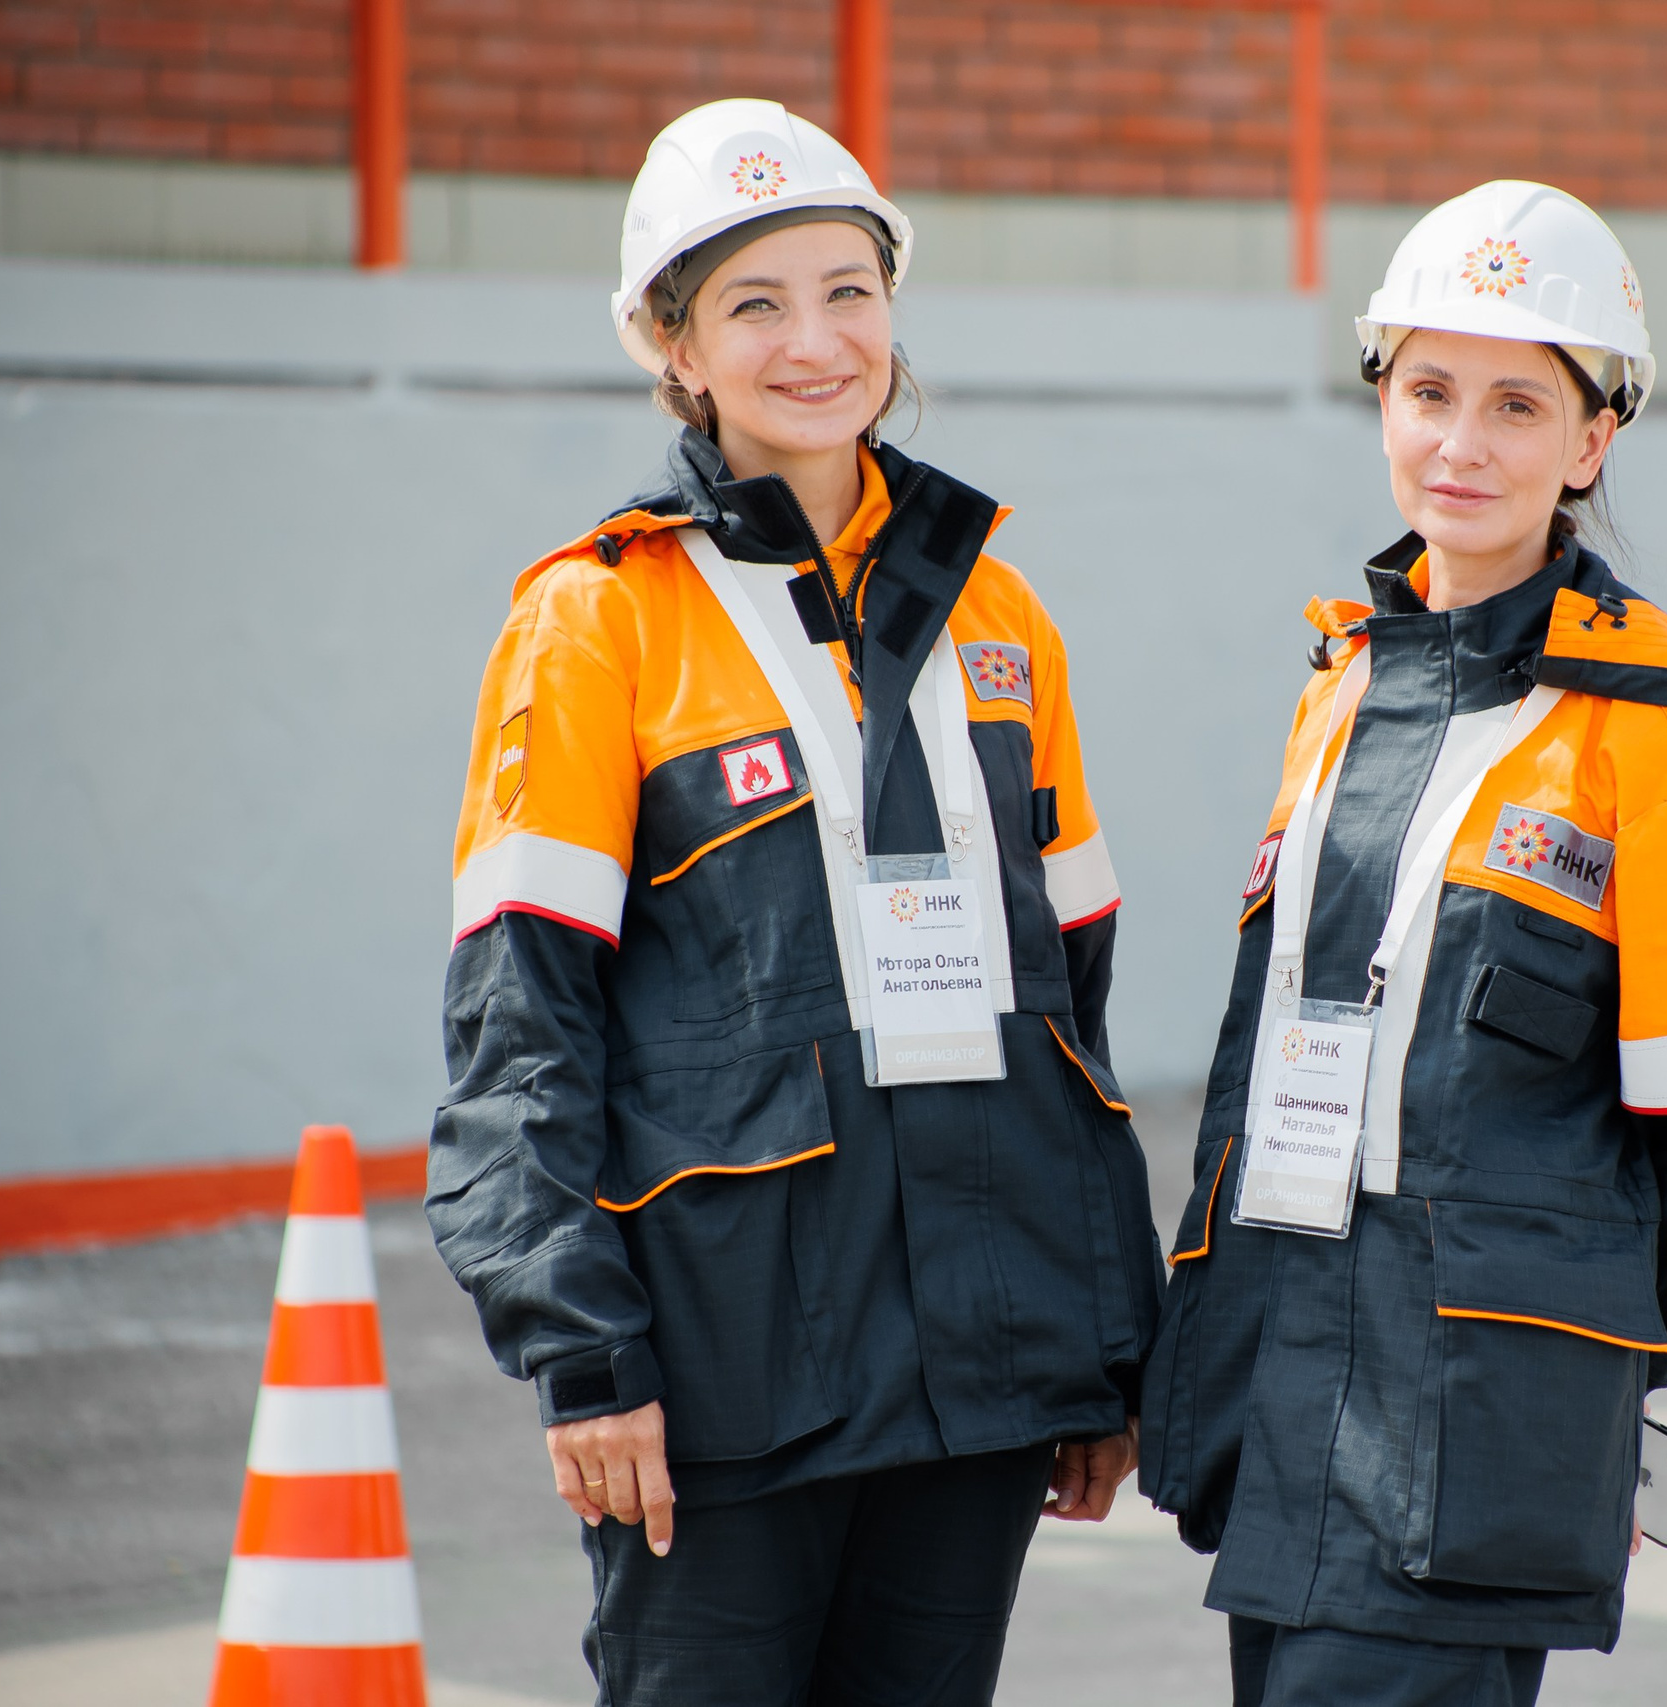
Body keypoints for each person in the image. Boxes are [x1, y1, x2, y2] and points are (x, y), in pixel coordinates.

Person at [427, 99, 1161, 1706]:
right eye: (754, 305)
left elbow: (1074, 1012)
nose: (815, 341)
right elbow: (516, 1031)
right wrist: (584, 1357)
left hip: (986, 1366)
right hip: (723, 1378)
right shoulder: (594, 623)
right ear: (676, 350)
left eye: (849, 290)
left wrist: (1103, 1339)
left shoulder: (1001, 609)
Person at [1138, 181, 1667, 1707]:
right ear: (1381, 397)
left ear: (1594, 442)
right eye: (1430, 390)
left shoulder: (1661, 727)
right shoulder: (1344, 682)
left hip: (1468, 1433)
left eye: (1520, 404)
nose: (1461, 443)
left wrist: (1566, 1360)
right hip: (1289, 1406)